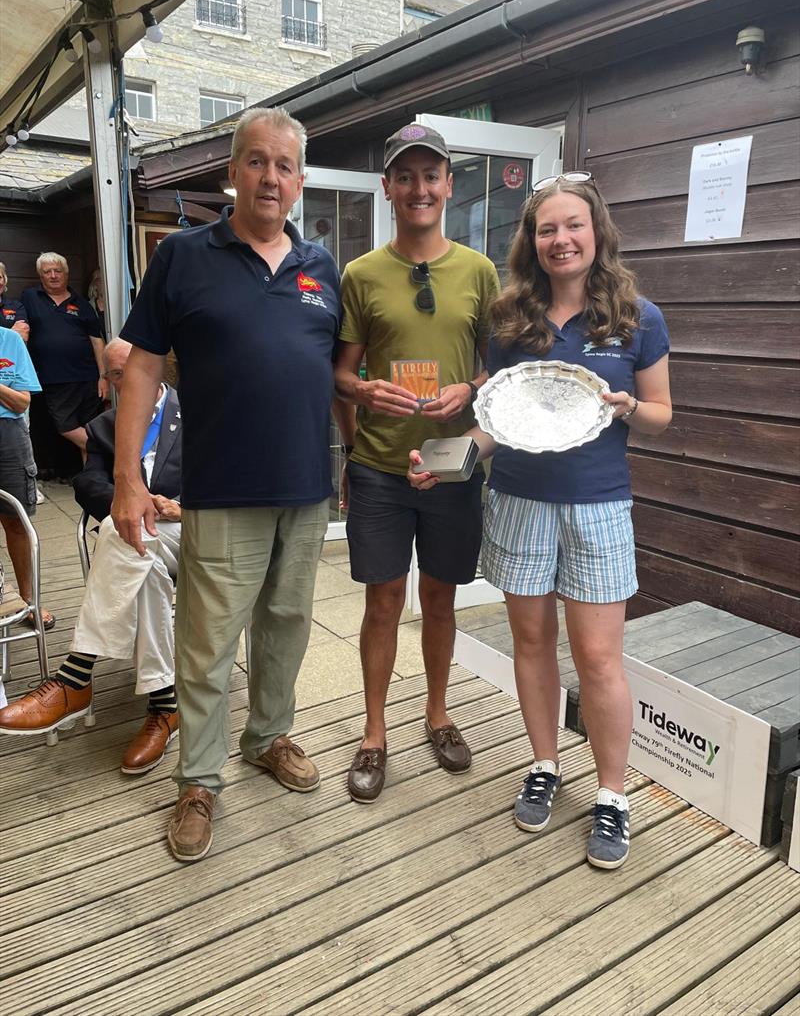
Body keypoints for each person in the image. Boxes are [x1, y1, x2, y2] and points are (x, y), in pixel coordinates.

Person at [409, 171, 672, 869]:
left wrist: (627, 409)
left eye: (572, 225)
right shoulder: (510, 318)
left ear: (597, 232)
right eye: (546, 228)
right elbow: (495, 422)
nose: (560, 239)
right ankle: (545, 763)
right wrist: (448, 457)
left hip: (599, 504)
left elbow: (663, 413)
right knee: (531, 642)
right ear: (532, 240)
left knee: (599, 658)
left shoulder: (637, 316)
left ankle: (613, 796)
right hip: (520, 500)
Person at [112, 106, 343, 862]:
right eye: (256, 161)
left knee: (285, 628)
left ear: (299, 181)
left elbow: (340, 376)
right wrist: (126, 479)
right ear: (232, 172)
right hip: (221, 489)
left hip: (306, 490)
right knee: (207, 642)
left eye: (283, 165)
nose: (269, 177)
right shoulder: (184, 257)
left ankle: (268, 736)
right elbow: (142, 365)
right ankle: (199, 778)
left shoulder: (321, 267)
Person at [334, 123, 500, 803]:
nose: (420, 188)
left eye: (431, 175)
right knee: (382, 600)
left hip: (454, 462)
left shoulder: (479, 271)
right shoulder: (361, 274)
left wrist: (474, 389)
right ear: (389, 188)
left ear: (448, 186)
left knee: (440, 596)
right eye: (406, 176)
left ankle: (437, 713)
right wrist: (362, 389)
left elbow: (500, 369)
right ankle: (374, 733)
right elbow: (339, 373)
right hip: (379, 463)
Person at [0, 339, 182, 774]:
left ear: (151, 368)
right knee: (136, 548)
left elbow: (227, 482)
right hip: (143, 540)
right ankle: (165, 704)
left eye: (123, 372)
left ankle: (75, 678)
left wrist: (177, 506)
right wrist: (129, 500)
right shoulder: (107, 425)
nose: (115, 382)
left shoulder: (200, 414)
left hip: (193, 530)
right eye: (111, 374)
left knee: (123, 541)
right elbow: (88, 484)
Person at [21, 252, 107, 461]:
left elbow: (97, 341)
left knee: (90, 426)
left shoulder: (82, 304)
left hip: (88, 377)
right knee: (66, 426)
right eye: (47, 272)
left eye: (57, 271)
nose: (52, 275)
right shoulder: (30, 297)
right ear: (40, 276)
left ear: (66, 274)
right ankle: (107, 449)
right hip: (54, 378)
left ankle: (93, 480)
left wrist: (104, 376)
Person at [0, 320, 55, 629]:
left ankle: (28, 601)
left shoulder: (9, 340)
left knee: (16, 521)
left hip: (9, 435)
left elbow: (22, 401)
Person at [0, 261, 29, 341]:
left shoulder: (16, 306)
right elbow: (15, 337)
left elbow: (22, 336)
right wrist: (11, 333)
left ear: (4, 280)